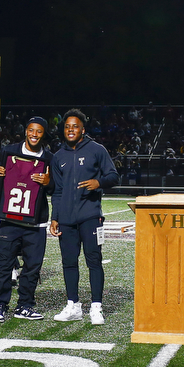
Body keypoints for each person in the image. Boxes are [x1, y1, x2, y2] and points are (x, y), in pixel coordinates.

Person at [49, 109, 119, 325]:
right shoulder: (58, 156)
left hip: (90, 217)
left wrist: (99, 183)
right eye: (67, 126)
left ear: (83, 129)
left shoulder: (97, 150)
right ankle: (73, 305)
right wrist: (55, 217)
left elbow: (113, 176)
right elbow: (57, 191)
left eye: (75, 126)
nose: (71, 130)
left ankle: (96, 307)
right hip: (67, 220)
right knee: (69, 262)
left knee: (94, 261)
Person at [0, 116, 53, 323]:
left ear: (44, 134)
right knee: (4, 266)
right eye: (31, 130)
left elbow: (56, 188)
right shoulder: (8, 151)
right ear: (26, 131)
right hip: (9, 220)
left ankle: (25, 305)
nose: (34, 135)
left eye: (39, 131)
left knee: (32, 267)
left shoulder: (49, 158)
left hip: (36, 222)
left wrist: (48, 182)